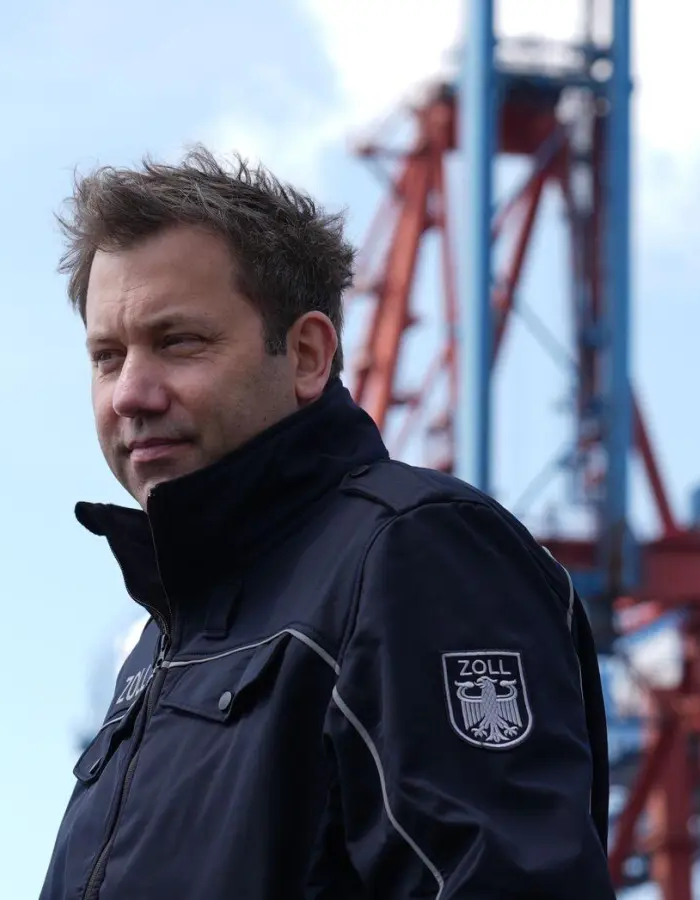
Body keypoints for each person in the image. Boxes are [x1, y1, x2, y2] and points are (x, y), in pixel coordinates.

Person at [38, 147, 616, 899]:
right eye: (107, 357)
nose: (131, 394)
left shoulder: (415, 554)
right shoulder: (165, 639)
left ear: (308, 354)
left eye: (178, 342)